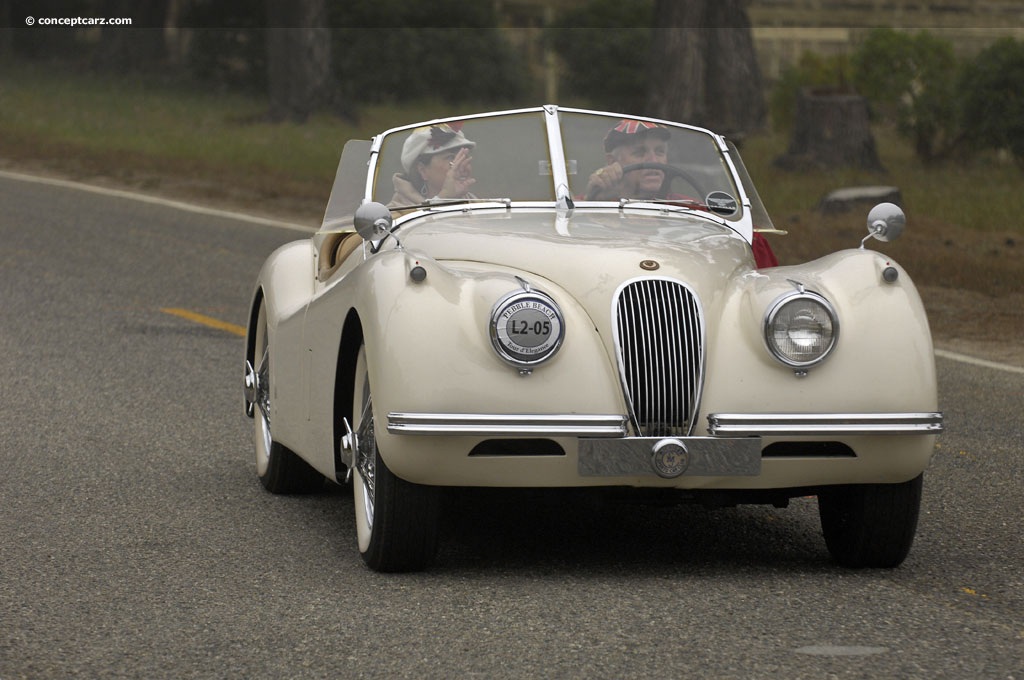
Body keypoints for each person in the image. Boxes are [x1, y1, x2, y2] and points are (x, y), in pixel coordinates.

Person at [584, 119, 778, 268]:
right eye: (640, 152)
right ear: (611, 161)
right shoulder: (584, 208)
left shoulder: (690, 208)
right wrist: (594, 199)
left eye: (659, 152)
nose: (654, 160)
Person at [389, 123, 476, 206]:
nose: (463, 165)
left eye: (464, 156)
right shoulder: (395, 213)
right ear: (423, 171)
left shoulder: (478, 205)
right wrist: (443, 199)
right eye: (451, 157)